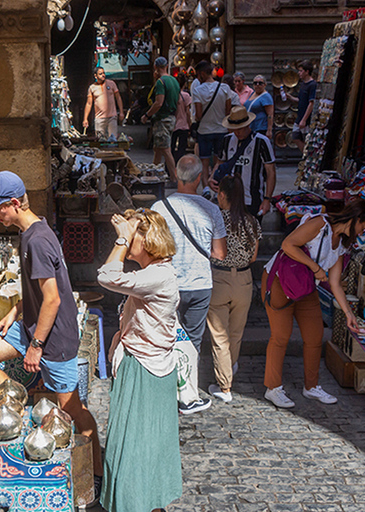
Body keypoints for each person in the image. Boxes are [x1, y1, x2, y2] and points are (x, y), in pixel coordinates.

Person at [0, 171, 104, 498]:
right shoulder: (30, 232)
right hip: (30, 324)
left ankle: (97, 473)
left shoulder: (38, 239)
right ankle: (14, 405)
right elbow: (39, 290)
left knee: (73, 410)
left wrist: (36, 347)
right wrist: (15, 312)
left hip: (52, 337)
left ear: (15, 204)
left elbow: (54, 299)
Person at [97, 208, 182, 512]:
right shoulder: (158, 273)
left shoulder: (156, 276)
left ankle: (136, 504)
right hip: (148, 366)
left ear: (146, 240)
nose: (127, 241)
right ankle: (149, 503)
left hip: (145, 371)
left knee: (135, 447)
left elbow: (106, 275)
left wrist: (122, 236)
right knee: (147, 445)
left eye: (134, 237)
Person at [262, 200, 365, 408]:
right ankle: (273, 388)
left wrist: (348, 313)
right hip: (280, 281)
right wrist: (315, 268)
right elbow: (287, 244)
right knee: (280, 337)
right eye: (363, 227)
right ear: (356, 219)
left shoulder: (340, 244)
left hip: (305, 287)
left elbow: (335, 283)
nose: (362, 232)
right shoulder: (320, 224)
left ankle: (311, 387)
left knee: (315, 335)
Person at [152, 154, 227, 414]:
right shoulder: (211, 209)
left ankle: (163, 390)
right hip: (199, 283)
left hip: (167, 284)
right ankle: (187, 395)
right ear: (199, 178)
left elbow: (151, 249)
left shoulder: (159, 209)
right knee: (193, 340)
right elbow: (220, 254)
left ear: (176, 177)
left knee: (163, 337)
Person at [206, 175, 261, 403]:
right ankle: (229, 368)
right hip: (244, 280)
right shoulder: (252, 222)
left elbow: (210, 250)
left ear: (222, 195)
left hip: (219, 278)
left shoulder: (215, 220)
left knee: (219, 335)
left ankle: (224, 386)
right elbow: (254, 256)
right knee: (236, 333)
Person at [210, 105, 277, 219]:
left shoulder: (261, 141)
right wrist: (212, 177)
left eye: (240, 128)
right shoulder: (227, 140)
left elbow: (271, 172)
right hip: (228, 199)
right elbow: (220, 163)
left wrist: (267, 199)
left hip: (252, 199)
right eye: (234, 128)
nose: (237, 132)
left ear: (248, 125)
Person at [192, 61, 233, 187]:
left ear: (202, 74)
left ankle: (205, 188)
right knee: (219, 161)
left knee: (204, 162)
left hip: (204, 131)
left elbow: (198, 115)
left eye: (198, 75)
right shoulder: (225, 88)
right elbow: (228, 112)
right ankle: (217, 186)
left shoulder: (198, 91)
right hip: (222, 130)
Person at [142, 56, 181, 183]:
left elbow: (158, 103)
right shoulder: (174, 81)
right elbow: (179, 101)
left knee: (165, 149)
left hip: (162, 119)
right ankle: (152, 172)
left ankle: (174, 178)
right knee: (158, 148)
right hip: (171, 118)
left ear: (156, 68)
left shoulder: (160, 82)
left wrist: (147, 115)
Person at [83, 67, 125, 139]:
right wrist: (85, 119)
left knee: (113, 139)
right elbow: (89, 104)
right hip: (99, 119)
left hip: (112, 117)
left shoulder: (111, 84)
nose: (103, 75)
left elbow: (118, 98)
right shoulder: (92, 88)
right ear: (95, 76)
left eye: (103, 73)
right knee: (100, 140)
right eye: (100, 74)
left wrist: (121, 112)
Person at [286, 60, 317, 153]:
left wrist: (304, 119)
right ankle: (306, 156)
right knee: (295, 136)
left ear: (307, 72)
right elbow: (300, 100)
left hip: (306, 119)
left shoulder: (312, 85)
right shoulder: (303, 84)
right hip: (299, 117)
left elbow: (311, 103)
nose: (299, 73)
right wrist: (290, 97)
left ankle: (307, 158)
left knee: (306, 139)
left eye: (301, 71)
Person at [245, 75, 274, 140]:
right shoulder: (252, 94)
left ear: (265, 85)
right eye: (255, 83)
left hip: (260, 128)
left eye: (260, 83)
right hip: (251, 127)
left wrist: (269, 130)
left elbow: (270, 114)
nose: (257, 85)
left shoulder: (266, 96)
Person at [171, 74, 192, 164]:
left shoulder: (172, 95)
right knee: (181, 149)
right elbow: (187, 112)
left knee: (171, 148)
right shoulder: (186, 96)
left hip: (173, 125)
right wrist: (190, 123)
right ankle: (180, 166)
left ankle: (170, 167)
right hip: (183, 125)